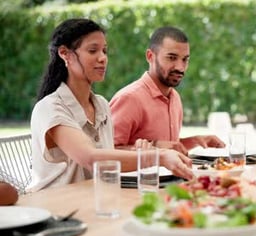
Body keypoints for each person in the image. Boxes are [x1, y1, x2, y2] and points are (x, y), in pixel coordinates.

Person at [30, 18, 194, 192]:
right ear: (65, 53)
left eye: (105, 51)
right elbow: (90, 158)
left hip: (97, 200)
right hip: (56, 208)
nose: (103, 58)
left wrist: (146, 151)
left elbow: (108, 159)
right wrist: (159, 156)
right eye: (93, 50)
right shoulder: (49, 108)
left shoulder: (101, 105)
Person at [109, 26, 225, 155]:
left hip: (170, 175)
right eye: (171, 58)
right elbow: (106, 152)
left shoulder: (174, 97)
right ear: (150, 56)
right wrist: (155, 147)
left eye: (185, 59)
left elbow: (170, 147)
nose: (180, 68)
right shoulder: (129, 98)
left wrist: (196, 141)